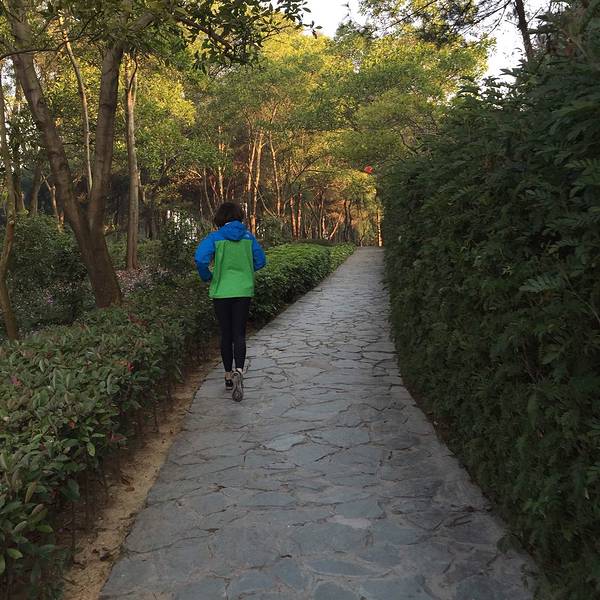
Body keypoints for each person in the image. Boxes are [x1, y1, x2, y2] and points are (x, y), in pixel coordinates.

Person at [194, 203, 266, 402]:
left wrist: (207, 276)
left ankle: (227, 375)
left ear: (220, 217)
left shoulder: (215, 238)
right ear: (239, 216)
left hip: (221, 291)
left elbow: (200, 259)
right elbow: (261, 261)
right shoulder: (249, 238)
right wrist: (245, 271)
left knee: (226, 334)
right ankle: (239, 371)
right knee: (239, 334)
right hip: (243, 290)